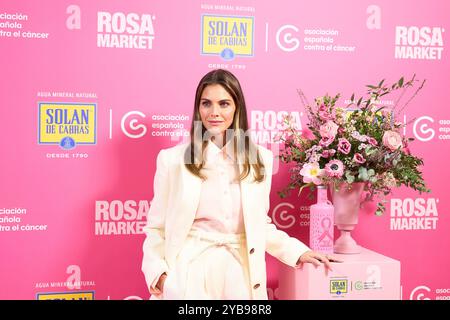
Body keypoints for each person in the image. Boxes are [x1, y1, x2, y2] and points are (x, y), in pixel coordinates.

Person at [141, 69, 340, 300]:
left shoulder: (260, 160)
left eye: (224, 104)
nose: (214, 113)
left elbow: (260, 225)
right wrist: (161, 277)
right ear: (198, 108)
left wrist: (299, 252)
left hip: (240, 274)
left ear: (237, 108)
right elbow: (156, 228)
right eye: (206, 103)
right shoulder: (172, 160)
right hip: (188, 274)